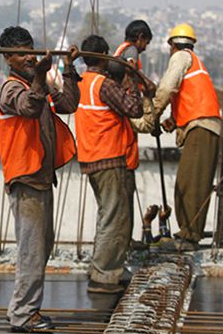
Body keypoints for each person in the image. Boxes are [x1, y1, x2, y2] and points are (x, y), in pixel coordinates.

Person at [0, 26, 80, 332]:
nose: (29, 56)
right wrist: (39, 77)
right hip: (26, 176)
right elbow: (29, 108)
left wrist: (69, 70)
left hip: (41, 177)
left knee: (41, 248)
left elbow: (68, 104)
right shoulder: (10, 88)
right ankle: (23, 314)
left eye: (30, 49)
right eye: (21, 53)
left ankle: (21, 308)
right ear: (8, 58)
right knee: (32, 250)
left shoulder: (37, 82)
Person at [75, 35, 143, 294]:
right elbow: (134, 109)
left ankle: (103, 268)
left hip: (91, 157)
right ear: (104, 56)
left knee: (107, 214)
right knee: (114, 218)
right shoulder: (103, 84)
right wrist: (132, 81)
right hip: (109, 156)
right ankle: (104, 276)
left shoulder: (82, 82)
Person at [147, 23, 222, 252]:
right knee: (189, 182)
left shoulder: (181, 57)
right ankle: (188, 233)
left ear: (172, 45)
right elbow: (186, 96)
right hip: (200, 125)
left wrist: (153, 114)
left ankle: (188, 236)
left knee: (191, 183)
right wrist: (173, 120)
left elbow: (168, 86)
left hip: (202, 126)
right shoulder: (192, 61)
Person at [111, 20, 157, 250]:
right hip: (125, 114)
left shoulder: (120, 51)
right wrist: (147, 85)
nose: (145, 48)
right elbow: (131, 70)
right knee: (124, 192)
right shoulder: (129, 51)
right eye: (145, 42)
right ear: (139, 37)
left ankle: (126, 239)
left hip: (123, 114)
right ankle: (125, 241)